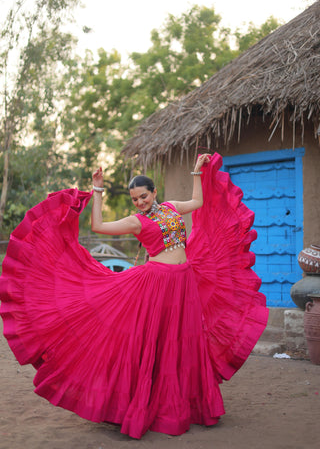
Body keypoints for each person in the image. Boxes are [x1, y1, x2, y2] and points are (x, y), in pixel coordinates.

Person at [0, 152, 268, 439]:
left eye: (143, 196)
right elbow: (98, 226)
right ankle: (147, 404)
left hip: (184, 281)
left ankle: (185, 404)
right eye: (135, 199)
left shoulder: (171, 207)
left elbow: (199, 203)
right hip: (157, 283)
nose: (140, 202)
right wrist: (99, 190)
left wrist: (195, 173)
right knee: (158, 342)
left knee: (182, 342)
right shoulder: (136, 222)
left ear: (153, 192)